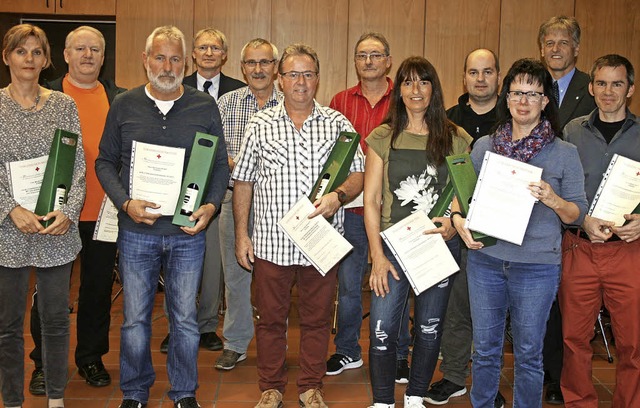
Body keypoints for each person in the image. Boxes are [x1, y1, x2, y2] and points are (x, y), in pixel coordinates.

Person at [95, 25, 229, 408]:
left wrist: (212, 204)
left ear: (184, 62)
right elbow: (105, 161)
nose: (167, 66)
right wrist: (125, 203)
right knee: (135, 318)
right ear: (145, 60)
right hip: (137, 230)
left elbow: (219, 165)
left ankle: (184, 392)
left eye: (174, 58)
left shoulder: (204, 107)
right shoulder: (124, 103)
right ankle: (135, 392)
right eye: (159, 57)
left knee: (185, 319)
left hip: (187, 231)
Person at [232, 43, 364, 408]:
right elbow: (243, 181)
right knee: (270, 319)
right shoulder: (259, 125)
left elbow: (359, 174)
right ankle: (271, 386)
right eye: (293, 74)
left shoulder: (338, 123)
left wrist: (338, 196)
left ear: (317, 79)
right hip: (272, 242)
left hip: (321, 242)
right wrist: (242, 234)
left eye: (308, 74)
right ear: (280, 79)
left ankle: (310, 385)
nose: (300, 82)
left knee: (318, 319)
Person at [451, 58, 587, 408]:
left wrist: (553, 198)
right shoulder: (484, 148)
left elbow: (577, 213)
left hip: (537, 267)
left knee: (528, 353)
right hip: (486, 262)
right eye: (516, 92)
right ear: (506, 98)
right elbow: (458, 200)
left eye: (532, 93)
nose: (523, 101)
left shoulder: (564, 153)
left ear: (545, 101)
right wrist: (458, 222)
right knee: (484, 350)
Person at [365, 56, 472, 408]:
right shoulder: (383, 137)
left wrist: (453, 227)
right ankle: (382, 401)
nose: (415, 90)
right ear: (400, 90)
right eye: (408, 82)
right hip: (393, 248)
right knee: (382, 328)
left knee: (429, 328)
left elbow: (461, 195)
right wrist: (377, 257)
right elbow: (373, 200)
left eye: (423, 82)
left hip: (437, 247)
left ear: (433, 89)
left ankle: (414, 397)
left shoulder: (456, 138)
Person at [27, 25, 125, 394]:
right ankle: (43, 363)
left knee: (98, 291)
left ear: (103, 56)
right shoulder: (45, 94)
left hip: (103, 212)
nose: (88, 55)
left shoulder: (119, 97)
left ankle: (90, 358)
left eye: (95, 50)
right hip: (56, 212)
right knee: (51, 291)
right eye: (80, 49)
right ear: (65, 56)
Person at [0, 23, 86, 408]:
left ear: (47, 59)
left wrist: (67, 211)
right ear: (7, 57)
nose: (29, 60)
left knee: (55, 320)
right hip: (8, 230)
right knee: (8, 327)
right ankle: (13, 401)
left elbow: (78, 165)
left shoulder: (63, 105)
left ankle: (55, 398)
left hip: (56, 229)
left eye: (36, 52)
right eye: (21, 52)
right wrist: (10, 209)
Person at [325, 31, 411, 383]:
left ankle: (399, 355)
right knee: (347, 286)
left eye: (376, 55)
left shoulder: (403, 100)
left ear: (388, 61)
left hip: (395, 210)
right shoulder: (339, 101)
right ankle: (347, 350)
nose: (369, 61)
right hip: (351, 210)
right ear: (355, 61)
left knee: (395, 284)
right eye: (363, 55)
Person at [425, 48, 504, 407]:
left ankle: (490, 381)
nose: (481, 79)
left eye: (488, 72)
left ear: (498, 77)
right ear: (464, 77)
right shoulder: (447, 120)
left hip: (503, 232)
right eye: (474, 72)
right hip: (457, 228)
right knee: (458, 306)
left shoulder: (513, 117)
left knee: (494, 311)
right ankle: (455, 375)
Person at [560, 54, 640, 408]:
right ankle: (580, 402)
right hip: (579, 248)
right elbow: (557, 187)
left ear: (631, 89)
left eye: (617, 84)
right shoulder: (571, 132)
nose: (609, 92)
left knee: (633, 343)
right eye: (602, 83)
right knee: (574, 339)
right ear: (591, 88)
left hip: (629, 251)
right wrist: (580, 220)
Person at [161, 27, 245, 353]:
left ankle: (208, 325)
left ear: (224, 55)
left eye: (215, 48)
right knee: (177, 261)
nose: (209, 53)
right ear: (192, 54)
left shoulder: (237, 92)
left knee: (213, 264)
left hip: (219, 188)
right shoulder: (175, 89)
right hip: (181, 185)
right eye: (202, 47)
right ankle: (176, 326)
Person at [214, 38, 283, 371]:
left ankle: (275, 343)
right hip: (233, 200)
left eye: (265, 62)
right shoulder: (226, 104)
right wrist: (240, 165)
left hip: (278, 203)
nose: (258, 69)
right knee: (236, 275)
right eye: (251, 63)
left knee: (276, 276)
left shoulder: (291, 103)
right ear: (241, 68)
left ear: (276, 67)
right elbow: (214, 150)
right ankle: (237, 342)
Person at [537, 15, 596, 403]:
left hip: (574, 206)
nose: (556, 49)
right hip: (536, 203)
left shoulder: (594, 91)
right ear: (540, 49)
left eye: (563, 42)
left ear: (576, 48)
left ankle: (562, 379)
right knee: (542, 296)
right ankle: (543, 372)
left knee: (568, 303)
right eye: (549, 43)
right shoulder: (530, 85)